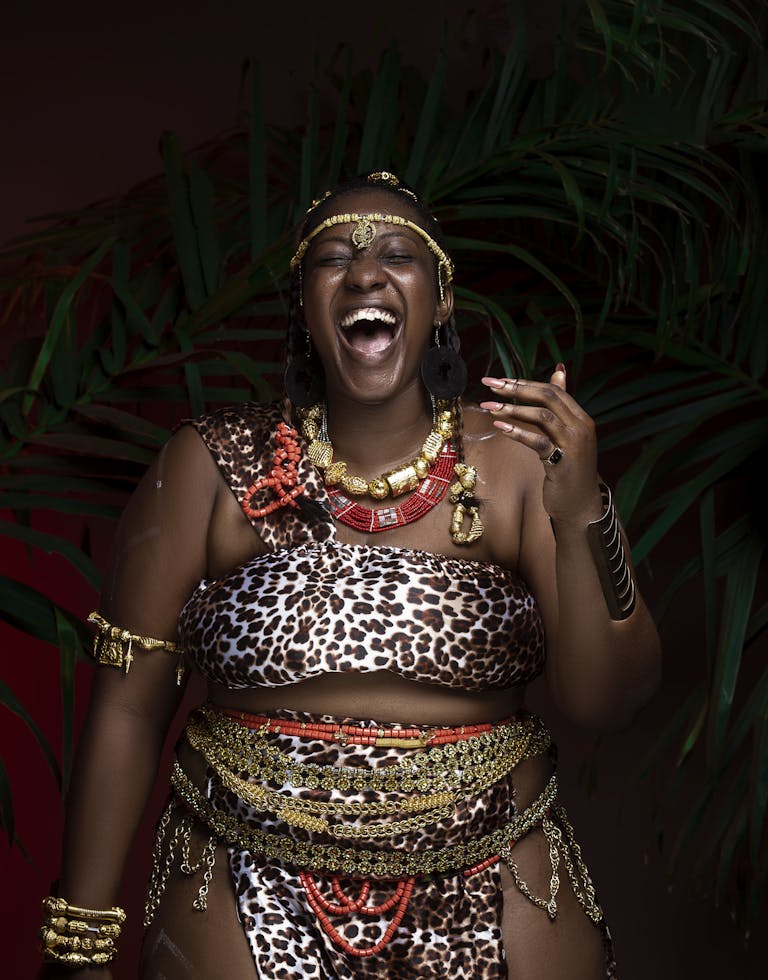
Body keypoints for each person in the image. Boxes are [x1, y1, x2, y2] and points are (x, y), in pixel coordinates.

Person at [41, 171, 661, 979]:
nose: (365, 274)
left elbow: (605, 698)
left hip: (496, 879)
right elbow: (127, 703)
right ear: (305, 307)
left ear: (440, 302)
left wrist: (584, 514)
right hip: (239, 879)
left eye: (398, 256)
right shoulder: (212, 466)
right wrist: (81, 940)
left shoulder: (514, 467)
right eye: (333, 259)